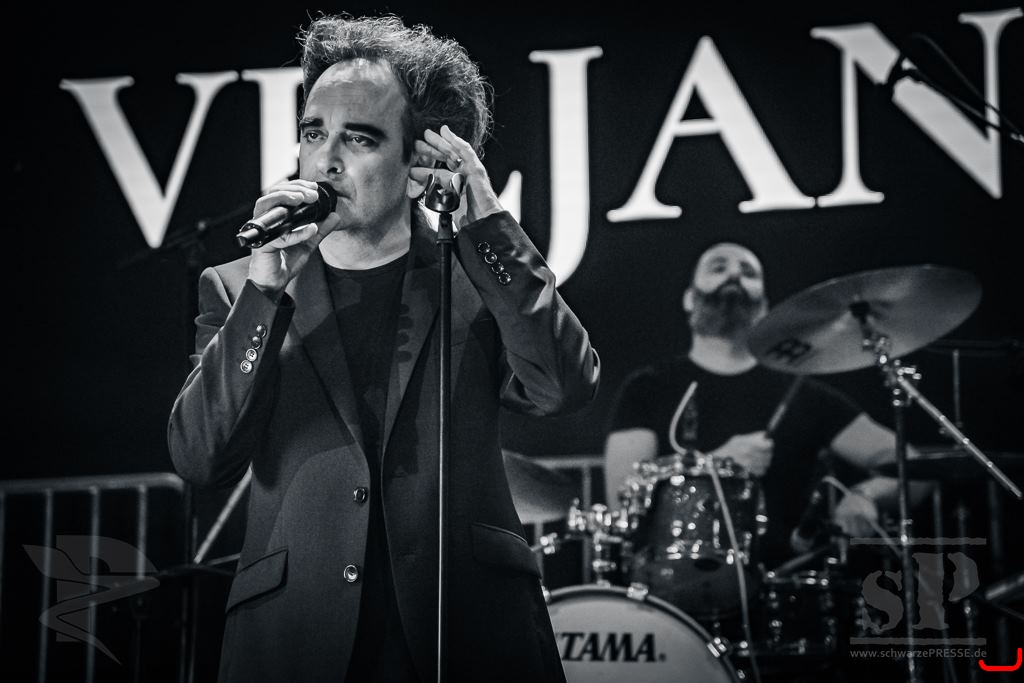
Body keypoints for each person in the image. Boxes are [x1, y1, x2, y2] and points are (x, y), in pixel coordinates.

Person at [168, 14, 598, 682]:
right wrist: (265, 292)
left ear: (418, 160)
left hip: (469, 636)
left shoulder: (476, 275)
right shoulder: (237, 288)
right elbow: (200, 457)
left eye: (360, 138)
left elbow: (564, 386)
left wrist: (488, 225)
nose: (326, 160)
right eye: (314, 133)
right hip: (296, 645)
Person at [604, 242, 916, 575]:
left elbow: (910, 464)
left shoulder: (801, 391)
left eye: (748, 273)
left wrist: (866, 495)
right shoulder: (648, 387)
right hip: (673, 585)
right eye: (718, 267)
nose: (734, 275)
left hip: (786, 583)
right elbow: (621, 494)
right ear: (689, 299)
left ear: (765, 305)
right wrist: (714, 466)